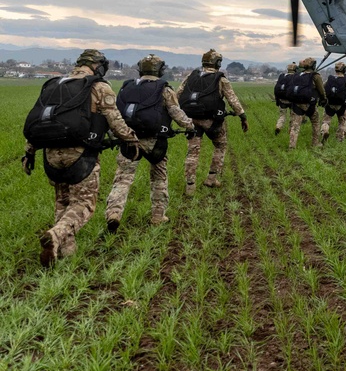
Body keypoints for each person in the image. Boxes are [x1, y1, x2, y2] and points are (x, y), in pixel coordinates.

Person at [22, 49, 141, 266]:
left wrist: (29, 152)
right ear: (98, 66)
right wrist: (131, 141)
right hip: (80, 154)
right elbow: (115, 120)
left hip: (50, 155)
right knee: (84, 204)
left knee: (63, 202)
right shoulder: (98, 86)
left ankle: (65, 254)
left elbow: (39, 119)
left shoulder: (55, 85)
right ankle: (56, 235)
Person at [105, 54, 195, 230]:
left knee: (123, 179)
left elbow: (115, 113)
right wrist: (191, 127)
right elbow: (177, 113)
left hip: (129, 140)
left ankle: (114, 213)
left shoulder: (127, 87)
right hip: (155, 142)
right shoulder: (165, 89)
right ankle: (158, 216)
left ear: (140, 69)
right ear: (160, 70)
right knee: (159, 177)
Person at [178, 49, 248, 194]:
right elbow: (232, 100)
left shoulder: (191, 77)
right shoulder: (221, 79)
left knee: (192, 152)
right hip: (212, 122)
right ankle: (211, 178)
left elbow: (177, 94)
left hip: (191, 120)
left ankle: (190, 185)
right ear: (218, 63)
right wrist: (242, 116)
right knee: (220, 145)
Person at [285, 56, 326, 149]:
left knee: (295, 126)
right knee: (315, 122)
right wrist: (323, 99)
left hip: (297, 104)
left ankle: (292, 146)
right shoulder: (315, 76)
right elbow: (321, 90)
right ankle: (315, 143)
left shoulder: (298, 75)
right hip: (310, 104)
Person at [321, 62, 346, 144]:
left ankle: (325, 131)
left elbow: (323, 88)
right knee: (342, 122)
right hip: (342, 105)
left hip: (330, 104)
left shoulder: (330, 79)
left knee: (326, 121)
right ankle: (340, 138)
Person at [274, 62, 297, 135]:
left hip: (282, 100)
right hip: (292, 101)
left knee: (282, 116)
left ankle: (278, 126)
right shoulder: (296, 76)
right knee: (292, 116)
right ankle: (290, 130)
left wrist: (277, 100)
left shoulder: (282, 76)